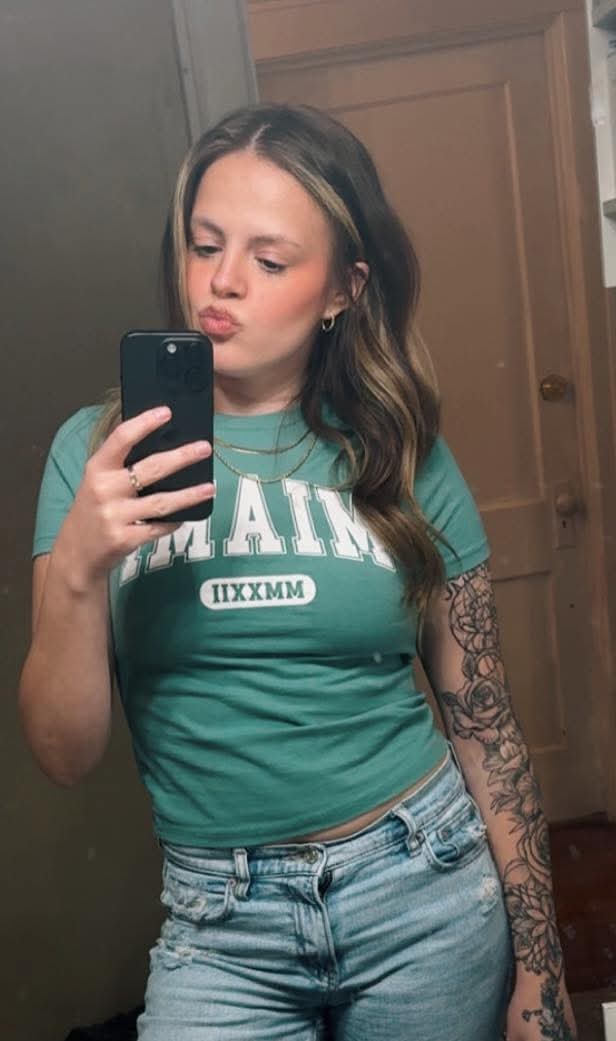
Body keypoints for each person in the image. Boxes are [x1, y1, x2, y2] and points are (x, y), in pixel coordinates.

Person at [19, 103, 577, 1041]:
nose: (221, 281)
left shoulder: (400, 451)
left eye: (270, 260)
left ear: (342, 290)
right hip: (220, 925)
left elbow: (485, 725)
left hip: (425, 888)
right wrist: (78, 566)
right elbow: (62, 754)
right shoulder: (95, 454)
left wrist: (542, 973)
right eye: (204, 245)